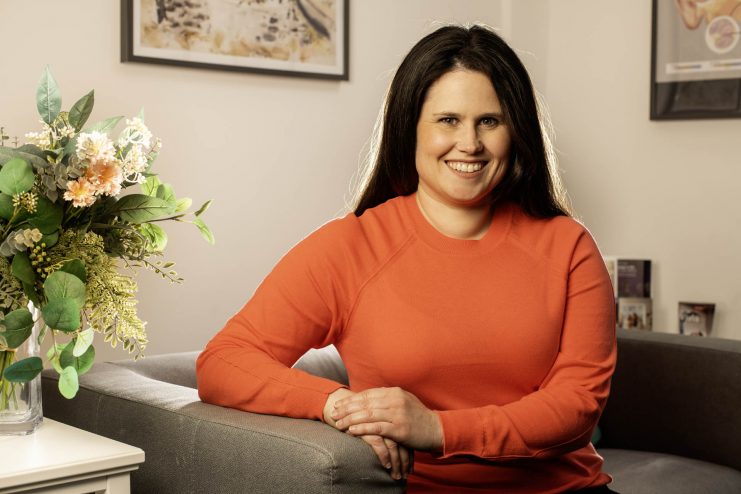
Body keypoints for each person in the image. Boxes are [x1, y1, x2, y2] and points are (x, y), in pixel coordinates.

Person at [197, 24, 618, 493]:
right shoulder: (350, 247)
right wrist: (338, 405)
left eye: (489, 121)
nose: (470, 143)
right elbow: (224, 362)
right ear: (409, 127)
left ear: (516, 131)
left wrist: (436, 429)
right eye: (448, 120)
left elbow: (578, 406)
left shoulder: (570, 246)